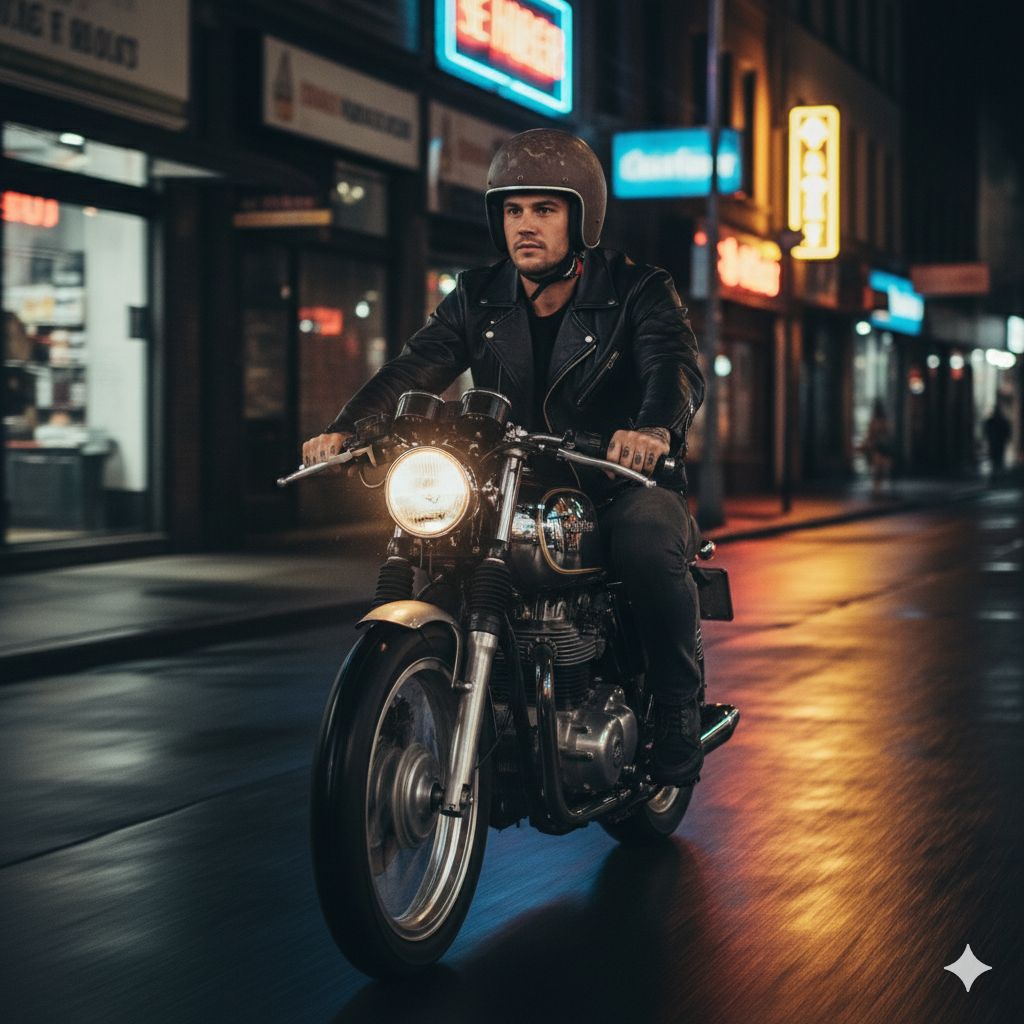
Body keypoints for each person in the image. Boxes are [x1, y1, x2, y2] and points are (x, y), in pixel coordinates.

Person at [302, 130, 706, 785]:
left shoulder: (639, 291)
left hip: (615, 480)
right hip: (508, 483)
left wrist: (654, 429)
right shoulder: (478, 295)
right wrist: (351, 429)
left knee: (650, 540)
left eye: (544, 209)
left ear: (582, 217)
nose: (526, 225)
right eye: (513, 210)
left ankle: (679, 713)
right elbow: (417, 365)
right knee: (442, 548)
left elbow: (673, 366)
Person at [861, 399, 894, 497]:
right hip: (881, 448)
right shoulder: (884, 421)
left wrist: (868, 443)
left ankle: (877, 490)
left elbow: (870, 434)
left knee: (878, 470)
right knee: (880, 470)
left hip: (878, 448)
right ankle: (878, 489)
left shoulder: (875, 421)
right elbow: (888, 434)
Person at [982, 403, 1011, 477]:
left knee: (997, 459)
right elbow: (986, 431)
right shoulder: (993, 421)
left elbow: (1007, 431)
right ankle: (996, 475)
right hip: (996, 443)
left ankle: (997, 475)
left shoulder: (992, 421)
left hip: (997, 443)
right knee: (996, 459)